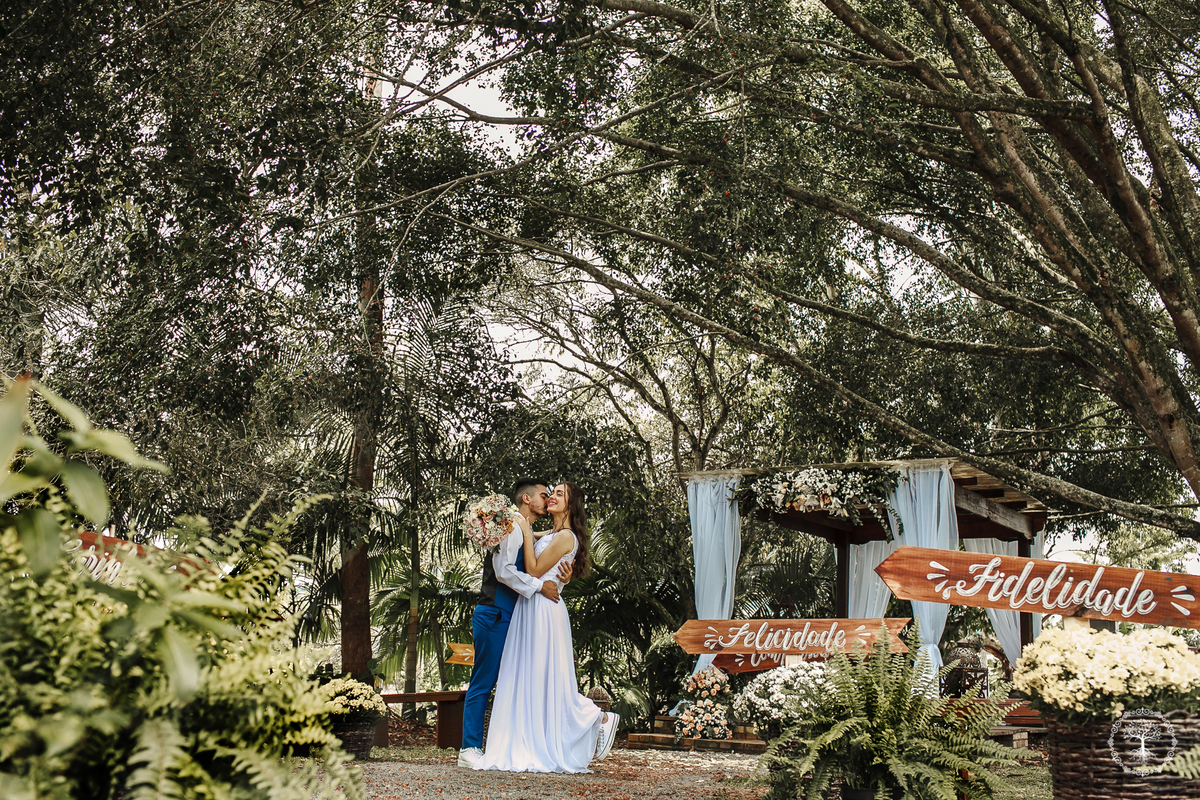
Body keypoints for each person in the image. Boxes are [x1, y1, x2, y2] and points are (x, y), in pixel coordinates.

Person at [474, 482, 619, 773]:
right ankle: (529, 740)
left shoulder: (566, 536)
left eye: (560, 494)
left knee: (546, 678)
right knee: (531, 677)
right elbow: (531, 537)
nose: (552, 497)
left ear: (571, 504)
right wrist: (515, 524)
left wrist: (526, 531)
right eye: (551, 492)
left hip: (544, 610)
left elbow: (535, 569)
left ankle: (599, 717)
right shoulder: (554, 533)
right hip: (531, 606)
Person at [458, 479, 572, 768]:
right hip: (495, 611)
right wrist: (539, 586)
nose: (547, 500)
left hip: (511, 614)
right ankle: (469, 748)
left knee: (510, 679)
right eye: (543, 496)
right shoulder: (511, 527)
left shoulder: (523, 527)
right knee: (484, 680)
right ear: (526, 499)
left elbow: (542, 542)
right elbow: (504, 572)